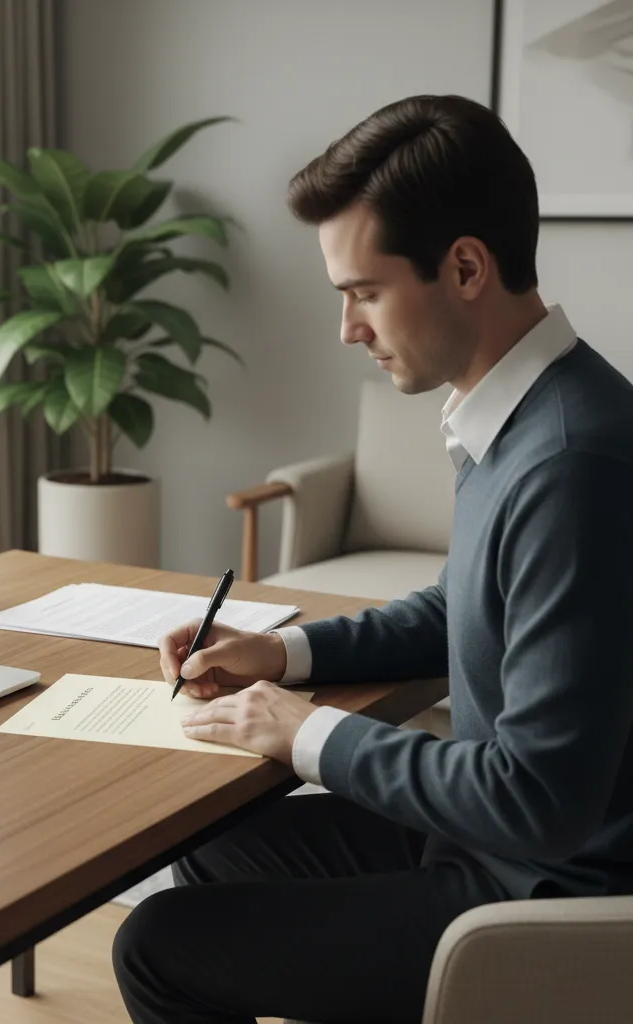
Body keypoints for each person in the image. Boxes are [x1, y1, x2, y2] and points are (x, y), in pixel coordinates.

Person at [111, 93, 633, 1024]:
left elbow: (538, 799)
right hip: (498, 848)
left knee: (157, 944)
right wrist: (282, 656)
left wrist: (303, 732)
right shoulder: (522, 415)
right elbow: (460, 605)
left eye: (362, 292)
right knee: (219, 845)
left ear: (465, 267)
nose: (346, 329)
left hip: (543, 895)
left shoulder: (569, 460)